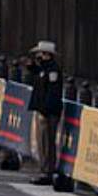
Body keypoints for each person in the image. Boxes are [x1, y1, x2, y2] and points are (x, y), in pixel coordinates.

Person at [26, 40, 64, 185]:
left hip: (48, 111)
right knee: (42, 141)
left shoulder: (53, 70)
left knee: (47, 141)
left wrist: (45, 110)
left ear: (46, 54)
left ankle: (47, 170)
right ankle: (44, 168)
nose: (39, 56)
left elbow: (52, 92)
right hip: (43, 109)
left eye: (40, 54)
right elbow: (39, 75)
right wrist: (32, 67)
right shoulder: (45, 69)